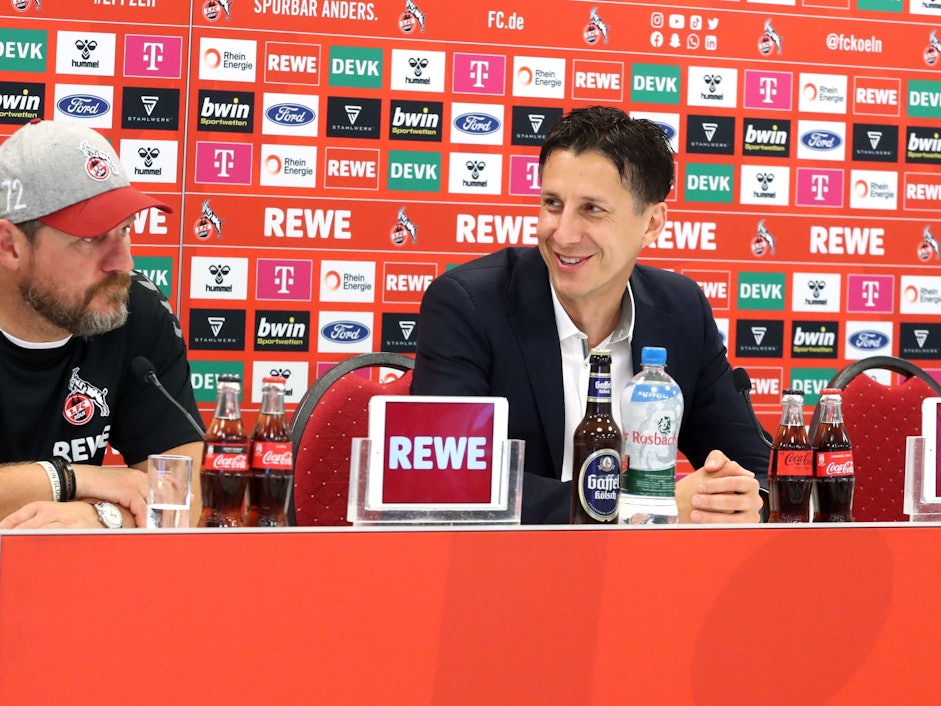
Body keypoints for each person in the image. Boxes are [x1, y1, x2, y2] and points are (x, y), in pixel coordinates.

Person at [411, 106, 769, 524]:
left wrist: (741, 500)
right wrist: (639, 509)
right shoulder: (468, 305)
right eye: (552, 203)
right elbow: (449, 478)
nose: (562, 233)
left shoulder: (681, 310)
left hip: (647, 579)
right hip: (503, 572)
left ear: (651, 223)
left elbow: (755, 466)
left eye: (592, 210)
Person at [0, 119, 204, 529]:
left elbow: (181, 499)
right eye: (90, 238)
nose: (123, 263)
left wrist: (102, 517)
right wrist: (74, 478)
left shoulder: (137, 310)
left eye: (125, 230)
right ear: (10, 246)